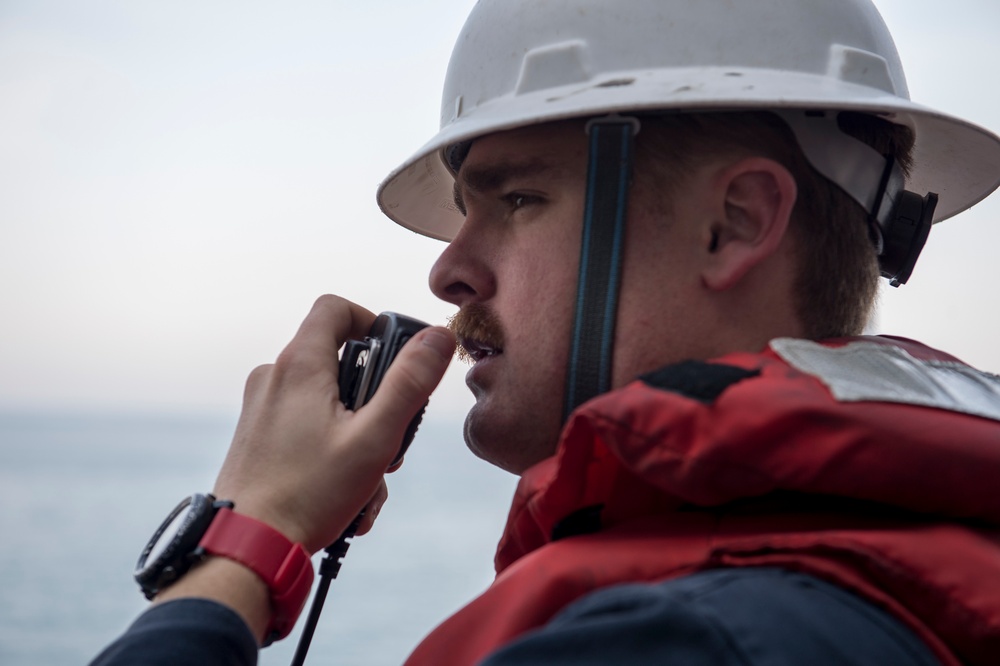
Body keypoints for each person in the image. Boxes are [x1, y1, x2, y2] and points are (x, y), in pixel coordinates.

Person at [91, 1, 1000, 664]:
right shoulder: (903, 567)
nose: (447, 272)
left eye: (520, 198)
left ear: (733, 222)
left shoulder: (680, 641)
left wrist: (253, 536)